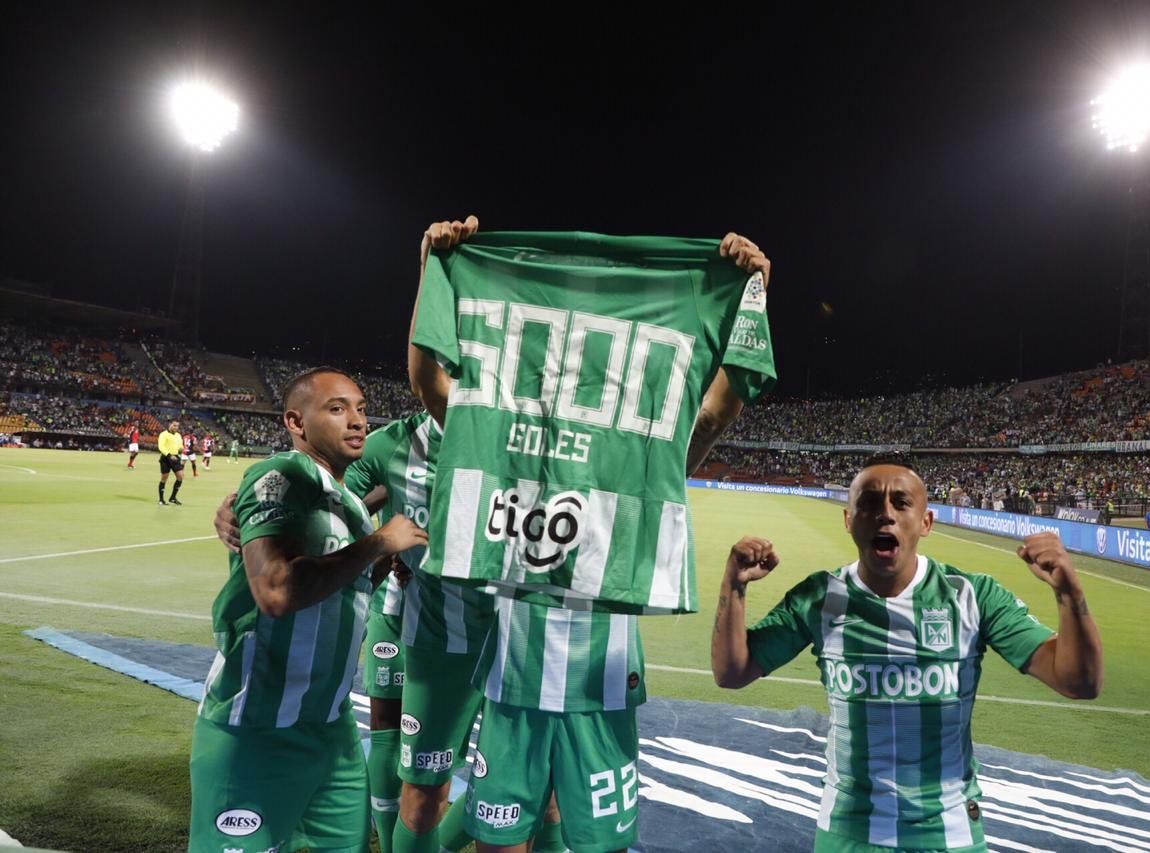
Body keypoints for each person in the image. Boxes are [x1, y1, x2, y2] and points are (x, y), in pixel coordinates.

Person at [409, 217, 773, 853]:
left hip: (603, 683)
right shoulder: (504, 443)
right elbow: (429, 384)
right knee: (500, 840)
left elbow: (716, 409)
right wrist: (430, 271)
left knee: (593, 840)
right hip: (514, 677)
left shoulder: (639, 456)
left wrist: (753, 291)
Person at [711, 453, 1103, 852]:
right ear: (848, 520)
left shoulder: (972, 596)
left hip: (949, 835)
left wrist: (1069, 593)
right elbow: (732, 672)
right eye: (868, 503)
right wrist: (734, 584)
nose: (885, 514)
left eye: (901, 503)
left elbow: (1079, 682)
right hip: (849, 833)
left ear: (926, 522)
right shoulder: (819, 597)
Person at [188, 367, 428, 853]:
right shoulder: (282, 474)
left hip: (331, 726)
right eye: (337, 409)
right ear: (296, 422)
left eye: (361, 409)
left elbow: (344, 588)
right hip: (256, 727)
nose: (357, 421)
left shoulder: (351, 503)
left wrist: (384, 562)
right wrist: (380, 543)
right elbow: (276, 592)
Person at [157, 420, 185, 506]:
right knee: (164, 478)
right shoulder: (163, 434)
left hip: (175, 457)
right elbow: (161, 446)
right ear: (170, 425)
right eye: (174, 425)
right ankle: (161, 499)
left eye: (177, 426)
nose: (176, 427)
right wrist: (169, 455)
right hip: (166, 458)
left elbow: (180, 445)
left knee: (180, 476)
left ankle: (172, 498)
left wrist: (181, 449)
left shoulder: (178, 435)